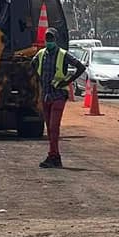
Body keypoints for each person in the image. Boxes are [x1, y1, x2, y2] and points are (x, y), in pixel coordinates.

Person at [31, 27, 85, 169]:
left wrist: (67, 81)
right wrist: (39, 80)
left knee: (54, 127)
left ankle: (53, 155)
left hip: (58, 95)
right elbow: (32, 64)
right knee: (49, 128)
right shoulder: (41, 54)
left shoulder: (63, 54)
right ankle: (54, 156)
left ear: (55, 40)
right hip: (46, 95)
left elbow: (81, 67)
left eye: (51, 38)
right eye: (47, 38)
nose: (49, 41)